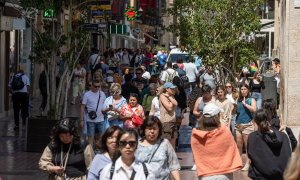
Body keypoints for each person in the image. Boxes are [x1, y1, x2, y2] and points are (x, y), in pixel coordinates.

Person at [191, 103, 242, 179]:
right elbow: (232, 149)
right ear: (217, 116)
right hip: (224, 174)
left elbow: (195, 154)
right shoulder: (224, 131)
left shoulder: (196, 134)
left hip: (205, 174)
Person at [248, 110, 292, 180]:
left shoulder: (252, 137)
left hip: (260, 176)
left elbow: (251, 156)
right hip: (281, 176)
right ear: (269, 119)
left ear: (255, 121)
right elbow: (288, 155)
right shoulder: (283, 136)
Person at [235, 83, 257, 171]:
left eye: (245, 89)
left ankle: (248, 163)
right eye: (242, 89)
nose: (243, 91)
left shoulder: (251, 100)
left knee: (247, 146)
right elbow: (236, 112)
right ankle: (239, 163)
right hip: (238, 125)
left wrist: (245, 104)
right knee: (238, 145)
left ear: (248, 90)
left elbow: (254, 109)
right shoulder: (238, 99)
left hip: (247, 125)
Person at [80, 79, 106, 148]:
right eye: (95, 86)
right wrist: (81, 120)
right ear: (91, 86)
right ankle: (90, 153)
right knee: (90, 137)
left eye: (98, 86)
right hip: (90, 120)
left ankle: (100, 152)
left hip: (101, 119)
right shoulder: (87, 94)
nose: (97, 88)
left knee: (102, 137)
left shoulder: (102, 94)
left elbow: (105, 105)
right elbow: (82, 107)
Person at [159, 82, 178, 148]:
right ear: (167, 89)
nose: (174, 90)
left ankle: (173, 156)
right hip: (166, 121)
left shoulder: (171, 96)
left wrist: (170, 98)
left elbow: (176, 103)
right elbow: (169, 108)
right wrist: (171, 100)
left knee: (173, 139)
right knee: (166, 141)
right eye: (172, 88)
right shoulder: (162, 96)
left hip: (173, 120)